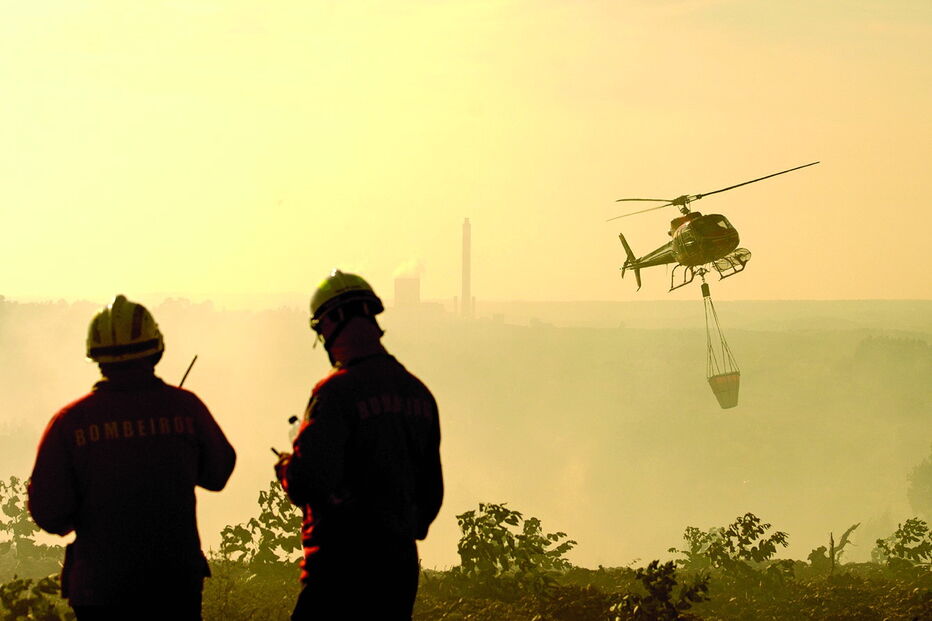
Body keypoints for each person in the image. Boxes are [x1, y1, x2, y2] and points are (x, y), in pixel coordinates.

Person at [28, 295, 236, 621]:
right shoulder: (185, 409)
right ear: (156, 348)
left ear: (96, 356)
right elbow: (218, 472)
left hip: (101, 589)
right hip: (174, 584)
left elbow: (49, 512)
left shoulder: (71, 423)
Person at [275, 270, 443, 620]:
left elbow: (307, 481)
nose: (323, 339)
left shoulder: (335, 393)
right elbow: (430, 496)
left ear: (334, 319)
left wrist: (287, 467)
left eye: (321, 328)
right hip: (398, 569)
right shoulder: (418, 393)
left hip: (339, 569)